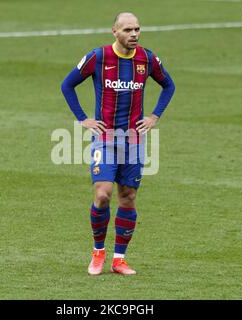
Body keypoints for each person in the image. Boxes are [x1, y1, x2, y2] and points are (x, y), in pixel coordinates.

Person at [61, 12, 175, 275]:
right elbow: (67, 85)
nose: (134, 34)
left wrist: (154, 116)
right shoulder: (98, 57)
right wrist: (82, 119)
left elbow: (168, 85)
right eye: (127, 30)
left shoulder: (147, 59)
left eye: (137, 29)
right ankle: (98, 252)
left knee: (129, 197)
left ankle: (119, 259)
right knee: (102, 195)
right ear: (114, 31)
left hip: (134, 139)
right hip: (104, 138)